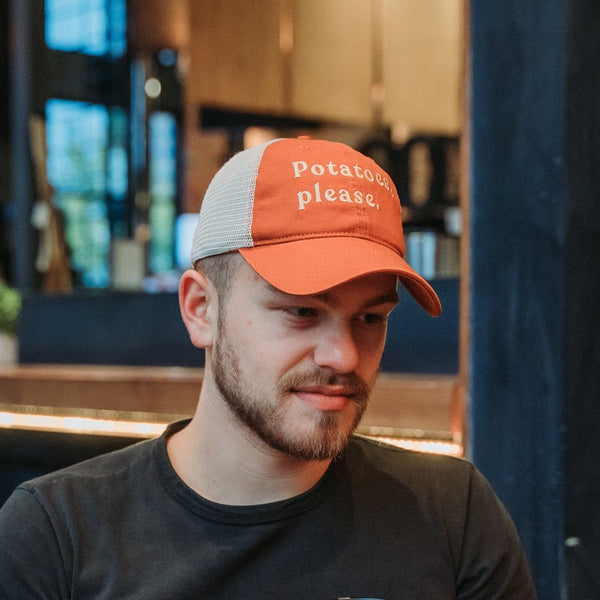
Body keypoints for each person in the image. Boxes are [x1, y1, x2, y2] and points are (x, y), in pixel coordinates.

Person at [0, 137, 537, 599]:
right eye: (302, 311)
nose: (344, 356)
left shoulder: (451, 514)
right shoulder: (56, 534)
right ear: (201, 310)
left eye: (370, 317)